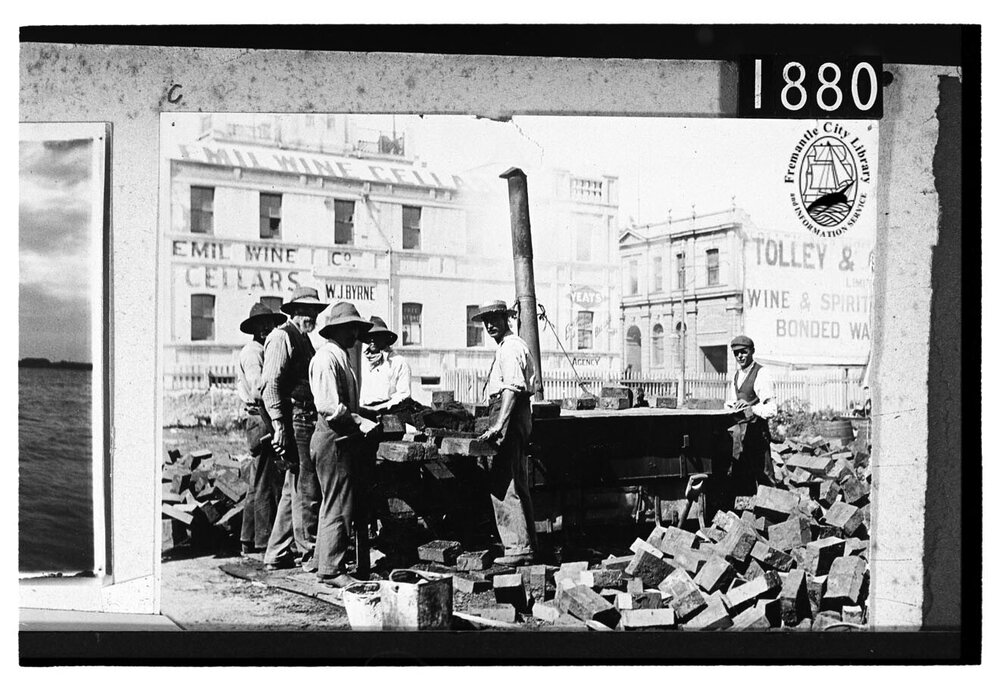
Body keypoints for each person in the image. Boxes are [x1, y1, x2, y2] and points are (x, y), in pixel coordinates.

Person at [260, 286, 328, 571]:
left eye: (313, 311)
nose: (310, 315)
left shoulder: (304, 340)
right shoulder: (280, 337)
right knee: (307, 486)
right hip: (295, 418)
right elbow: (270, 384)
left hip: (305, 416)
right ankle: (309, 551)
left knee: (294, 487)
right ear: (293, 312)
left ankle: (275, 552)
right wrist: (278, 425)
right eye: (304, 310)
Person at [309, 302, 375, 587]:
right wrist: (359, 420)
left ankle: (322, 561)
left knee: (333, 501)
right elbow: (329, 407)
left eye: (357, 327)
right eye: (352, 328)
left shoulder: (341, 356)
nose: (356, 333)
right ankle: (332, 570)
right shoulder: (327, 358)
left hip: (340, 437)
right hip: (333, 436)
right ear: (338, 329)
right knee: (339, 503)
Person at [472, 300, 539, 567]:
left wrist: (499, 424)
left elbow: (512, 387)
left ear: (506, 319)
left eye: (494, 319)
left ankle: (517, 548)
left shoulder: (510, 348)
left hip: (509, 412)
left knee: (503, 483)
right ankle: (527, 545)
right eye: (485, 321)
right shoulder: (512, 345)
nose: (489, 325)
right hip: (517, 413)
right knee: (517, 483)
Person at [235, 301, 286, 554]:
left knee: (258, 480)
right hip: (260, 416)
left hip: (257, 416)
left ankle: (249, 539)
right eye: (260, 325)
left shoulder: (259, 349)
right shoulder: (254, 352)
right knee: (267, 480)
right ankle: (264, 540)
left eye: (269, 324)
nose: (265, 329)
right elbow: (258, 390)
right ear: (254, 328)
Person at [724, 334, 777, 498]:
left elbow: (772, 409)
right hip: (740, 436)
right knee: (743, 478)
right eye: (736, 353)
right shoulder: (736, 376)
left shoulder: (762, 373)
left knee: (765, 477)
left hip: (757, 435)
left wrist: (752, 408)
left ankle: (773, 517)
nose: (740, 356)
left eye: (743, 352)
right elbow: (733, 402)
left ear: (752, 351)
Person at [358, 316, 414, 416]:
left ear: (385, 337)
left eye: (376, 335)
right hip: (364, 413)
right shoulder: (363, 362)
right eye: (369, 336)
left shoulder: (398, 362)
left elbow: (403, 396)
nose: (372, 340)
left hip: (389, 414)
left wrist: (379, 408)